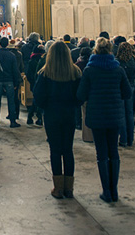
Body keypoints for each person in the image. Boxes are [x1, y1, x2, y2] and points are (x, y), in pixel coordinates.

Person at [77, 37, 131, 203]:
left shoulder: (89, 70)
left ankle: (106, 191)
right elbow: (127, 93)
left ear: (95, 50)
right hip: (114, 116)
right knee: (113, 151)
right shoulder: (118, 69)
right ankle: (114, 191)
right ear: (110, 50)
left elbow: (80, 95)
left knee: (101, 153)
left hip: (97, 115)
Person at [33, 41, 82, 199]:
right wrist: (73, 105)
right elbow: (80, 95)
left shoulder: (45, 72)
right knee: (68, 150)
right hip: (69, 114)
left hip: (52, 115)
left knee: (55, 150)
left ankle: (58, 188)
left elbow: (38, 96)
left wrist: (45, 107)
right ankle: (69, 188)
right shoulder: (75, 72)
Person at [0, 37, 21, 128]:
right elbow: (15, 70)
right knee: (11, 101)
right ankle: (12, 121)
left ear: (0, 44)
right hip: (9, 80)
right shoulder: (12, 55)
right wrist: (16, 83)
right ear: (8, 44)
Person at [116, 42, 135, 147]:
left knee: (121, 114)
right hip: (131, 87)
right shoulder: (134, 60)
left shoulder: (118, 61)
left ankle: (123, 139)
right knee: (129, 114)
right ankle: (130, 139)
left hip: (120, 88)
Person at [25, 45, 46, 125]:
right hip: (40, 83)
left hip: (33, 83)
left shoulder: (31, 60)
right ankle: (38, 117)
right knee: (38, 100)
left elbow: (28, 74)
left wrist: (31, 82)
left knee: (35, 99)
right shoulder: (43, 60)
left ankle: (30, 117)